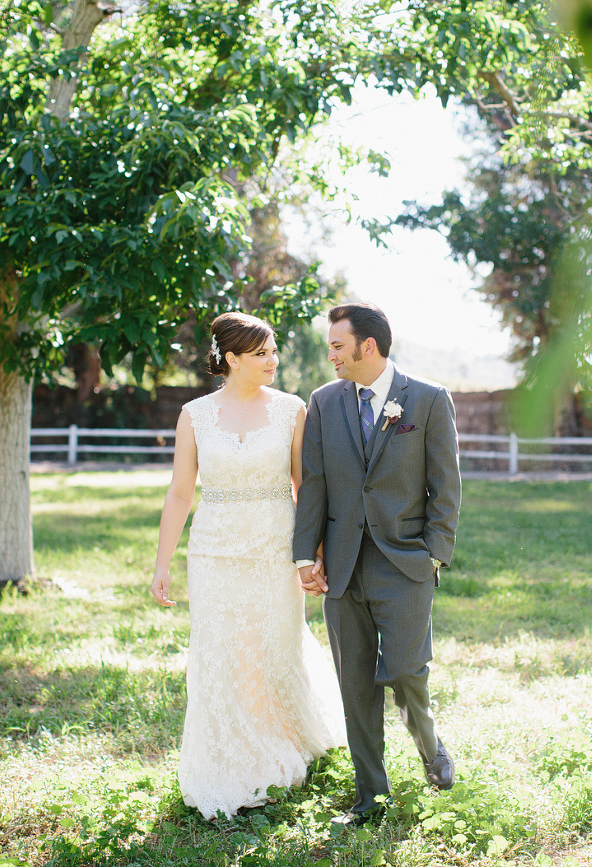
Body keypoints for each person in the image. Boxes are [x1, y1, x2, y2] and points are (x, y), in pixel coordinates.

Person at [149, 311, 345, 821]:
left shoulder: (292, 410)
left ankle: (279, 738)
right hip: (213, 550)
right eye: (261, 353)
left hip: (275, 549)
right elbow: (179, 492)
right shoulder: (194, 414)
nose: (273, 361)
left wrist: (313, 552)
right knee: (221, 651)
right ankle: (226, 756)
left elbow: (306, 488)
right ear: (231, 358)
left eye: (274, 351)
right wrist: (161, 562)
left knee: (272, 645)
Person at [293, 302, 463, 826]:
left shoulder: (429, 400)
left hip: (405, 562)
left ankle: (431, 750)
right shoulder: (323, 402)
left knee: (407, 671)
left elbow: (446, 487)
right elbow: (315, 481)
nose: (331, 356)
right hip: (342, 567)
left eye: (338, 346)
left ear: (369, 346)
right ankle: (371, 796)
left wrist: (434, 553)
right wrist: (305, 554)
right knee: (355, 683)